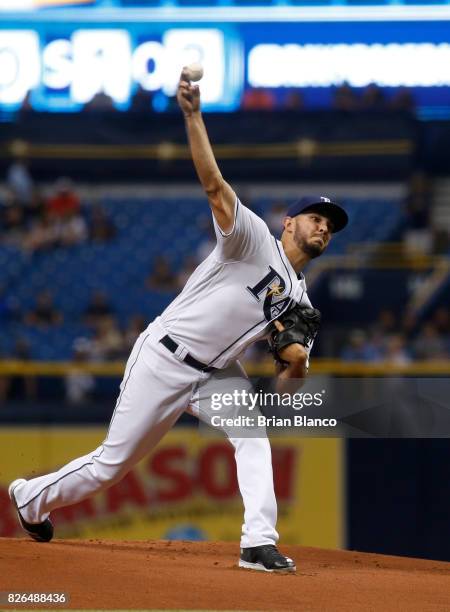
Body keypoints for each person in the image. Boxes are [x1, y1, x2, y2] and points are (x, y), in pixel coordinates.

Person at [8, 69, 348, 573]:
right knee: (112, 467)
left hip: (217, 373)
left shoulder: (300, 302)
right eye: (315, 216)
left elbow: (286, 392)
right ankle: (31, 497)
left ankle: (258, 543)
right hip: (166, 356)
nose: (323, 225)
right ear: (288, 221)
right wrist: (192, 115)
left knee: (253, 435)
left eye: (331, 224)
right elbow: (214, 186)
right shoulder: (253, 239)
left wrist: (294, 365)